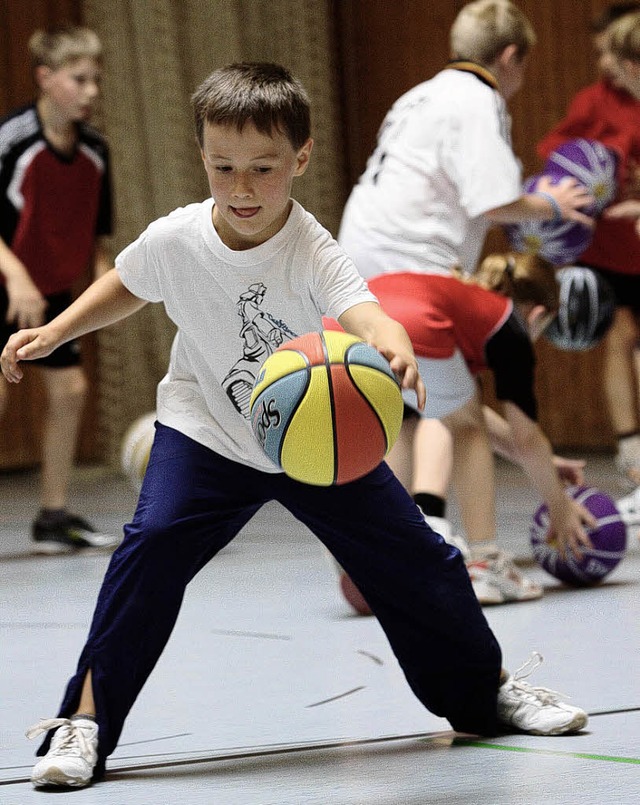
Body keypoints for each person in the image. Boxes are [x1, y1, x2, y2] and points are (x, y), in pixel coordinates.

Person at [1, 62, 588, 791]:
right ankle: (83, 724)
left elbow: (363, 308)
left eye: (262, 168)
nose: (241, 187)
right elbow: (128, 281)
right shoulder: (177, 237)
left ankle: (488, 693)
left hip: (310, 437)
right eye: (223, 167)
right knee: (148, 547)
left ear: (301, 159)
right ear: (203, 155)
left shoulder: (312, 246)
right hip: (207, 431)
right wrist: (56, 329)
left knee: (422, 557)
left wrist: (392, 340)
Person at [336, 0, 595, 603]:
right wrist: (554, 203)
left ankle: (385, 557)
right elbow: (493, 200)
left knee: (402, 412)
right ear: (509, 58)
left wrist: (540, 465)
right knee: (463, 423)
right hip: (413, 270)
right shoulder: (478, 101)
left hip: (354, 271)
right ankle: (483, 563)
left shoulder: (419, 95)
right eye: (523, 69)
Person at [337, 252, 596, 609]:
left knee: (393, 426)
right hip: (412, 324)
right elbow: (522, 436)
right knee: (467, 431)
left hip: (345, 326)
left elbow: (455, 408)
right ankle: (487, 565)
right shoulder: (509, 325)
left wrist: (547, 462)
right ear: (538, 314)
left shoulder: (464, 302)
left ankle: (372, 554)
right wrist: (559, 506)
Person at [0, 25, 119, 554]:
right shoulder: (12, 140)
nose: (92, 91)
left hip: (50, 291)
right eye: (80, 79)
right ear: (46, 79)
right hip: (6, 278)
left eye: (96, 79)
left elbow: (96, 236)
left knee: (69, 391)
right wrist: (16, 276)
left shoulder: (96, 151)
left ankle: (52, 515)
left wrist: (106, 289)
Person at [537, 3, 640, 494]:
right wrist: (597, 171)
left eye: (610, 53)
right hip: (607, 250)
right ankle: (632, 453)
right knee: (619, 337)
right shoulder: (593, 101)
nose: (603, 63)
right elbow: (555, 154)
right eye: (600, 53)